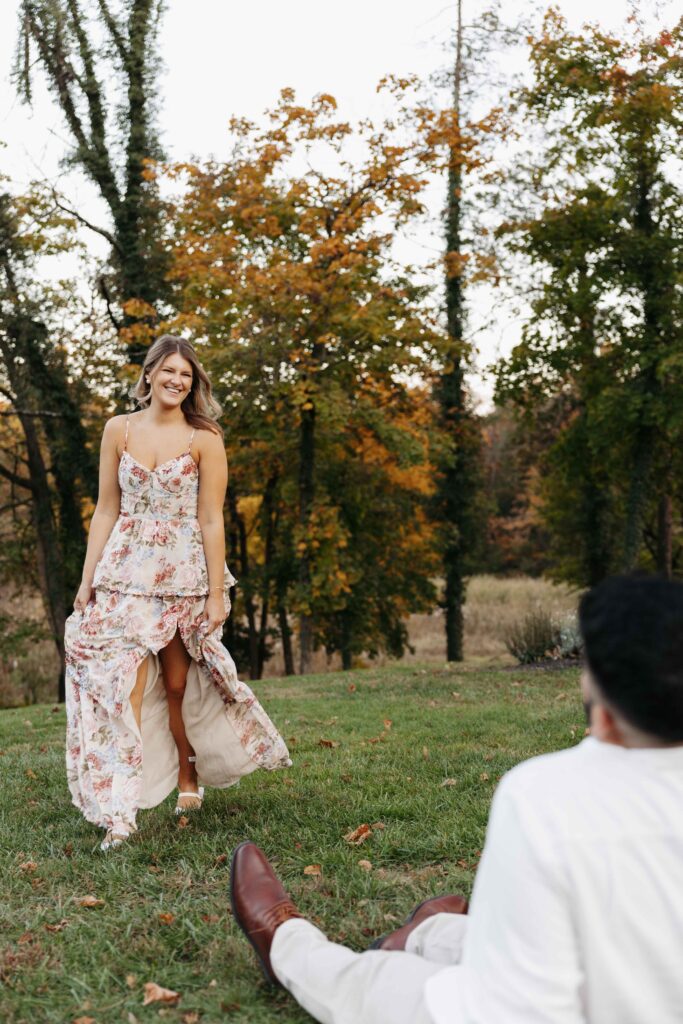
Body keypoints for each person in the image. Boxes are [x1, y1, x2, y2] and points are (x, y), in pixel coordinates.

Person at [230, 574, 683, 1023]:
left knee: (369, 981)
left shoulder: (545, 795)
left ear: (600, 705)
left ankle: (287, 944)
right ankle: (429, 933)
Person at [65, 335, 291, 851]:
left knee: (174, 684)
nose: (176, 380)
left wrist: (216, 592)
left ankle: (189, 770)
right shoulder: (116, 430)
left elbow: (211, 517)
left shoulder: (204, 438)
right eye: (168, 371)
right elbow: (105, 509)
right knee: (125, 685)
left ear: (193, 384)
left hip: (181, 575)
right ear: (148, 375)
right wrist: (86, 580)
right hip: (123, 572)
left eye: (185, 375)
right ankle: (120, 811)